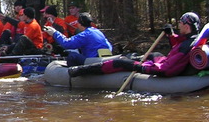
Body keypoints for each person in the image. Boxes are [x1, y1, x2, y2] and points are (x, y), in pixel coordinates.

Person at [68, 12, 200, 78]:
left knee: (120, 62)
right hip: (164, 62)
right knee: (153, 54)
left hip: (161, 68)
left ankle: (80, 71)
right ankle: (133, 57)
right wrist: (171, 35)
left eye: (181, 24)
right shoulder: (192, 39)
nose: (179, 26)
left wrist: (142, 68)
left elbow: (165, 70)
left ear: (187, 27)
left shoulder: (186, 46)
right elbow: (177, 47)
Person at [45, 12, 112, 66]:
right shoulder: (98, 31)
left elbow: (67, 44)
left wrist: (54, 33)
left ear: (79, 24)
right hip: (104, 59)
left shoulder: (85, 34)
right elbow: (109, 46)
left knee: (72, 56)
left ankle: (74, 77)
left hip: (93, 61)